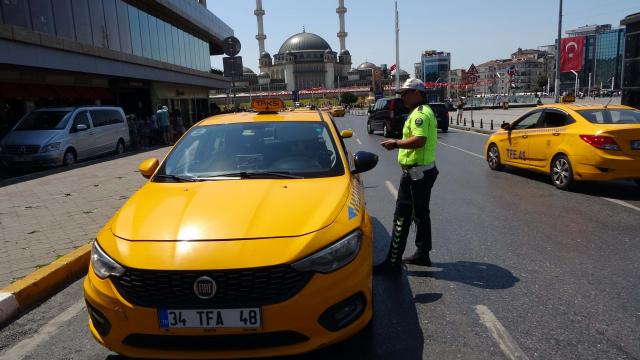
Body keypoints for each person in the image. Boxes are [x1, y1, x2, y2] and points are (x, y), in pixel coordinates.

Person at [377, 78, 439, 273]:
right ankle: (423, 254)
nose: (402, 96)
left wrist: (395, 143)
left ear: (417, 93)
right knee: (421, 214)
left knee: (401, 216)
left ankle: (393, 262)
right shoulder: (420, 112)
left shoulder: (421, 114)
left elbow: (419, 140)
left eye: (405, 93)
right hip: (421, 172)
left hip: (416, 174)